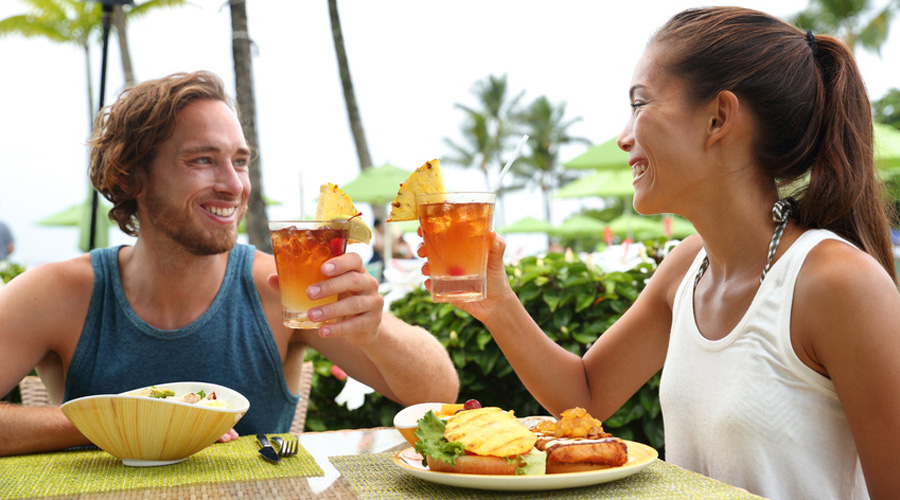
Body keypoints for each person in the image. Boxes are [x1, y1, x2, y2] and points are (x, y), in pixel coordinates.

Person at [419, 8, 900, 500]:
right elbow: (585, 393)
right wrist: (496, 302)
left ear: (718, 118)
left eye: (640, 103)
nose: (624, 136)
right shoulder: (688, 267)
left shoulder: (838, 284)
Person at [0, 71, 458, 457]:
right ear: (130, 176)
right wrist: (116, 422)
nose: (233, 185)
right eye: (202, 160)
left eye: (240, 162)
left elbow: (439, 396)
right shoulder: (60, 294)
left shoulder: (282, 287)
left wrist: (374, 330)